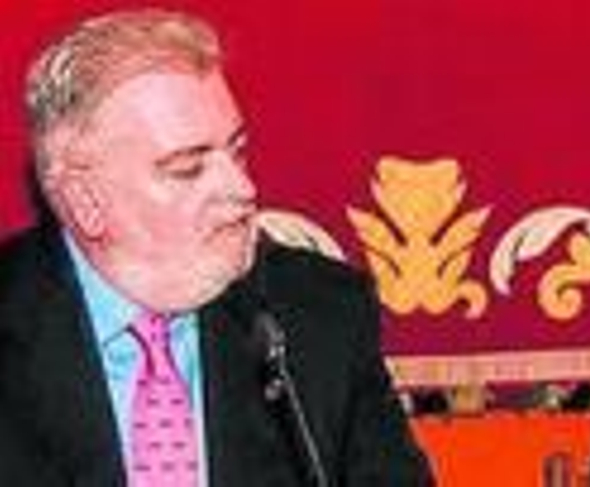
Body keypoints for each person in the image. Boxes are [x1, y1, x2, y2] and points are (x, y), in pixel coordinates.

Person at [0, 9, 433, 485]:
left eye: (237, 152)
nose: (241, 188)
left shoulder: (319, 314)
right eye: (187, 168)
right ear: (85, 201)